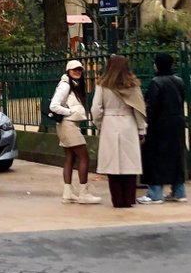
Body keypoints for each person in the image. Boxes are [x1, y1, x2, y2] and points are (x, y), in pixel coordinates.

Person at [91, 54, 148, 209]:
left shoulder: (102, 85)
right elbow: (138, 109)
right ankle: (129, 199)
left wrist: (100, 124)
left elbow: (96, 109)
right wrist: (141, 129)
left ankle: (117, 200)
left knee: (112, 166)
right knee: (130, 164)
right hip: (128, 123)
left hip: (109, 123)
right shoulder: (133, 86)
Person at [139, 52, 188, 203]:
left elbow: (152, 106)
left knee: (155, 158)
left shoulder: (156, 82)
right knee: (176, 156)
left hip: (159, 126)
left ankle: (155, 193)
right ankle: (179, 192)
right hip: (177, 123)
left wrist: (146, 121)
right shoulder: (178, 80)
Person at [49, 59, 99, 204]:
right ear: (68, 71)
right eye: (74, 70)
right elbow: (54, 105)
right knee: (84, 157)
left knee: (70, 158)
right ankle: (84, 193)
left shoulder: (73, 85)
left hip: (68, 124)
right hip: (68, 124)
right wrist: (69, 112)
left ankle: (68, 192)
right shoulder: (65, 85)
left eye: (79, 70)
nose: (77, 72)